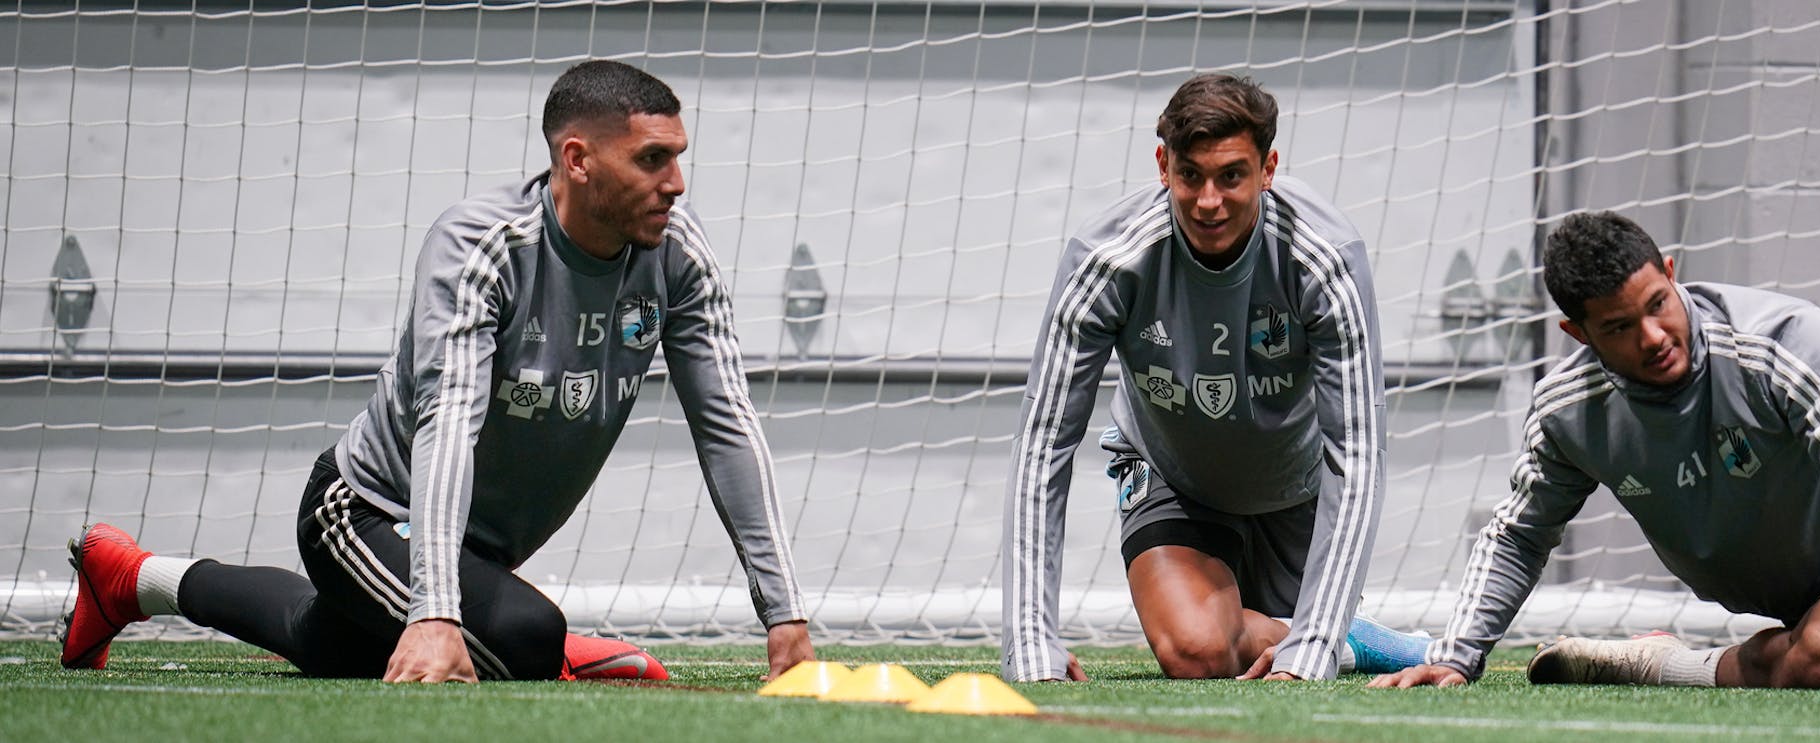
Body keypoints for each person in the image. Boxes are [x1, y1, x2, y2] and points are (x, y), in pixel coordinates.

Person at [60, 59, 814, 683]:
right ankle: (542, 648)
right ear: (578, 159)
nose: (676, 182)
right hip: (365, 511)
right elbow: (449, 417)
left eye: (678, 157)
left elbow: (726, 425)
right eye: (652, 159)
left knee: (320, 640)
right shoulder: (483, 246)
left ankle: (130, 576)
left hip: (471, 545)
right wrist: (436, 612)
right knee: (522, 634)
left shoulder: (677, 253)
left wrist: (786, 620)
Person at [1368, 211, 1820, 695]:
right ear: (1577, 332)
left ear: (1673, 272)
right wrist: (1454, 657)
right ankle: (1736, 645)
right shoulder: (1569, 412)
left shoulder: (1779, 342)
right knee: (1813, 652)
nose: (1653, 335)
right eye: (1620, 325)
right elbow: (1521, 533)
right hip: (1778, 577)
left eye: (1659, 302)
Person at [1001, 73, 1427, 683]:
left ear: (1268, 168)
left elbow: (1357, 454)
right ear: (1162, 165)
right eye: (1190, 174)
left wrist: (1314, 647)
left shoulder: (1324, 260)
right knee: (1198, 653)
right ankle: (1328, 633)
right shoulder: (1108, 261)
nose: (1208, 201)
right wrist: (1030, 640)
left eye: (1231, 175)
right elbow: (1043, 446)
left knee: (1298, 646)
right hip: (1174, 477)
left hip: (1293, 489)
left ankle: (1346, 636)